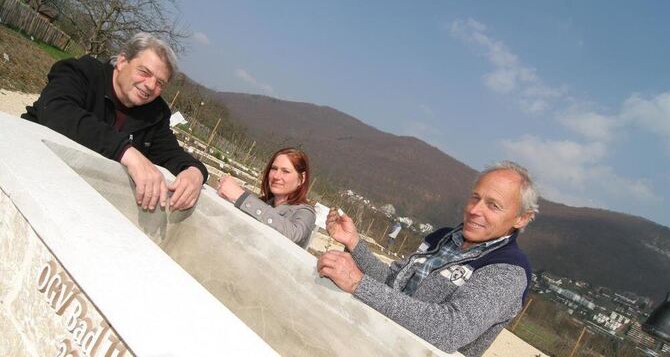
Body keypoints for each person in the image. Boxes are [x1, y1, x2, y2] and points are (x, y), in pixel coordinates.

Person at [318, 161, 538, 356]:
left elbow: (450, 330)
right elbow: (391, 282)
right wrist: (355, 244)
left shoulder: (508, 270)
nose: (475, 210)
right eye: (475, 198)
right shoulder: (441, 238)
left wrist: (359, 283)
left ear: (521, 218)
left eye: (493, 205)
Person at [22, 32, 208, 211]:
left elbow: (170, 153)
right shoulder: (82, 72)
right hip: (30, 171)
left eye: (160, 83)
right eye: (144, 72)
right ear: (122, 61)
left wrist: (195, 172)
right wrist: (126, 152)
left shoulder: (155, 113)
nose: (151, 86)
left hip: (79, 197)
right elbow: (56, 110)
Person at [217, 147, 316, 248]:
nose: (276, 176)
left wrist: (241, 197)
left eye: (285, 171)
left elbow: (294, 234)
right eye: (274, 169)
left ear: (302, 179)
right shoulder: (264, 203)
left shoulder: (305, 212)